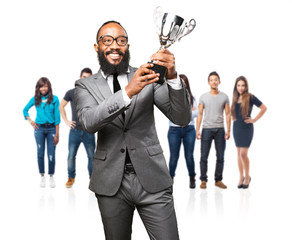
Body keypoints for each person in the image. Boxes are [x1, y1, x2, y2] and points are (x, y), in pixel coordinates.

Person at [74, 20, 191, 240]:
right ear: (97, 47)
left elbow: (182, 118)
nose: (114, 46)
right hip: (110, 183)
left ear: (128, 45)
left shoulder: (147, 75)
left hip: (153, 179)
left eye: (121, 40)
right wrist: (128, 92)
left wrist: (173, 77)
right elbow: (89, 122)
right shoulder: (85, 85)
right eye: (107, 40)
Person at [59, 68, 96, 188]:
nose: (86, 80)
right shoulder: (71, 92)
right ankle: (70, 178)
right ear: (80, 78)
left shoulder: (93, 93)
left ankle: (93, 179)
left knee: (92, 156)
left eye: (89, 78)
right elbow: (61, 106)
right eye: (84, 77)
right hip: (74, 131)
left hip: (88, 131)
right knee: (71, 156)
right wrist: (66, 121)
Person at [23, 77, 60, 188]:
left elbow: (57, 117)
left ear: (49, 87)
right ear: (38, 88)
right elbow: (25, 110)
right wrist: (30, 121)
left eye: (45, 86)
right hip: (39, 129)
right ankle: (42, 176)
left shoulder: (54, 99)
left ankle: (51, 176)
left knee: (51, 154)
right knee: (40, 153)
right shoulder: (35, 99)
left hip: (52, 129)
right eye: (41, 86)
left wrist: (57, 135)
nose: (43, 88)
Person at [196, 71, 231, 189]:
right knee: (203, 157)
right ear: (208, 82)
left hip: (220, 130)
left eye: (216, 79)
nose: (214, 82)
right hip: (206, 129)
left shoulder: (224, 97)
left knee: (220, 156)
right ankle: (203, 180)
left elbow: (228, 114)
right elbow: (200, 114)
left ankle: (218, 180)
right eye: (211, 80)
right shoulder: (203, 97)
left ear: (219, 82)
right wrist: (197, 130)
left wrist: (228, 130)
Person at [231, 76, 267, 189]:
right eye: (238, 85)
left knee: (243, 154)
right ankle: (240, 177)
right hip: (236, 128)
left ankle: (247, 177)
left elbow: (264, 108)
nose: (241, 88)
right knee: (238, 153)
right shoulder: (235, 98)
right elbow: (234, 112)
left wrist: (254, 119)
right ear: (236, 87)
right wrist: (233, 117)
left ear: (246, 86)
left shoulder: (250, 97)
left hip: (247, 128)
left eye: (243, 85)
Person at [168, 74, 198, 188]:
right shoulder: (170, 97)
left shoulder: (192, 98)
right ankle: (170, 179)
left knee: (189, 156)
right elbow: (171, 114)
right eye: (180, 82)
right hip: (174, 130)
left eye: (184, 82)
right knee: (173, 157)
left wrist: (182, 112)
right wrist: (188, 111)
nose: (182, 84)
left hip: (189, 129)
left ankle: (192, 178)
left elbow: (197, 113)